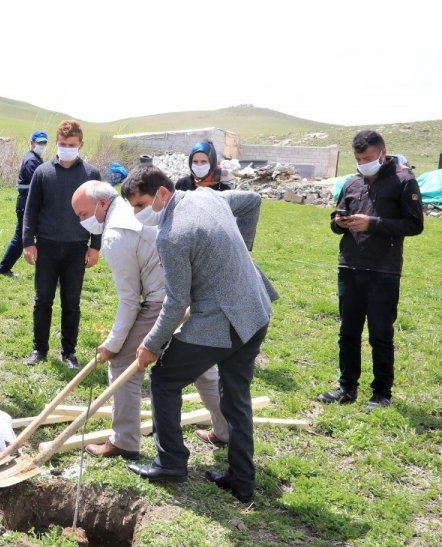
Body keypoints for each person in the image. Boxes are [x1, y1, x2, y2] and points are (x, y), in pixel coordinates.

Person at [120, 165, 277, 504]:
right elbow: (252, 200)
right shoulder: (207, 196)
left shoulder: (171, 236)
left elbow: (176, 303)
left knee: (164, 380)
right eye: (133, 207)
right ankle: (241, 480)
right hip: (256, 309)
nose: (137, 213)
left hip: (224, 320)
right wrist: (237, 257)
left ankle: (170, 463)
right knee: (235, 396)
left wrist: (150, 345)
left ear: (163, 193)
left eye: (141, 204)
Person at [71, 181, 230, 460]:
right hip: (193, 293)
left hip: (163, 299)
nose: (82, 221)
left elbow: (130, 300)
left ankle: (124, 441)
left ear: (103, 204)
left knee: (123, 363)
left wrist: (113, 344)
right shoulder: (133, 208)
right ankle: (227, 430)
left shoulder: (115, 235)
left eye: (83, 214)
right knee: (201, 365)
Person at [319, 130, 423, 412]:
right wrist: (339, 222)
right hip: (350, 265)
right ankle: (347, 387)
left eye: (367, 158)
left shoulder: (404, 181)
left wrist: (372, 223)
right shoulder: (352, 182)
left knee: (380, 334)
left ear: (382, 153)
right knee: (348, 331)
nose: (363, 163)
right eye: (358, 158)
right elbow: (336, 220)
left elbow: (414, 225)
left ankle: (381, 393)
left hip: (383, 269)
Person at [21, 120, 101, 370]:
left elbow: (100, 213)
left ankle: (69, 352)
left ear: (81, 144)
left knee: (72, 302)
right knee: (43, 299)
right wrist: (28, 242)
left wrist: (95, 246)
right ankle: (39, 349)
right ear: (56, 143)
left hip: (77, 247)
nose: (67, 148)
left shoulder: (91, 175)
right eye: (63, 144)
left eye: (72, 145)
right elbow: (30, 210)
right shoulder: (42, 172)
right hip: (46, 245)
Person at [0, 131, 47, 278]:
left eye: (44, 143)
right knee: (22, 237)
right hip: (28, 203)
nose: (42, 145)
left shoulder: (35, 159)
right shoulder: (32, 161)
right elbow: (38, 184)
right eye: (39, 142)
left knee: (25, 237)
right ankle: (4, 268)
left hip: (29, 202)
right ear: (31, 142)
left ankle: (5, 268)